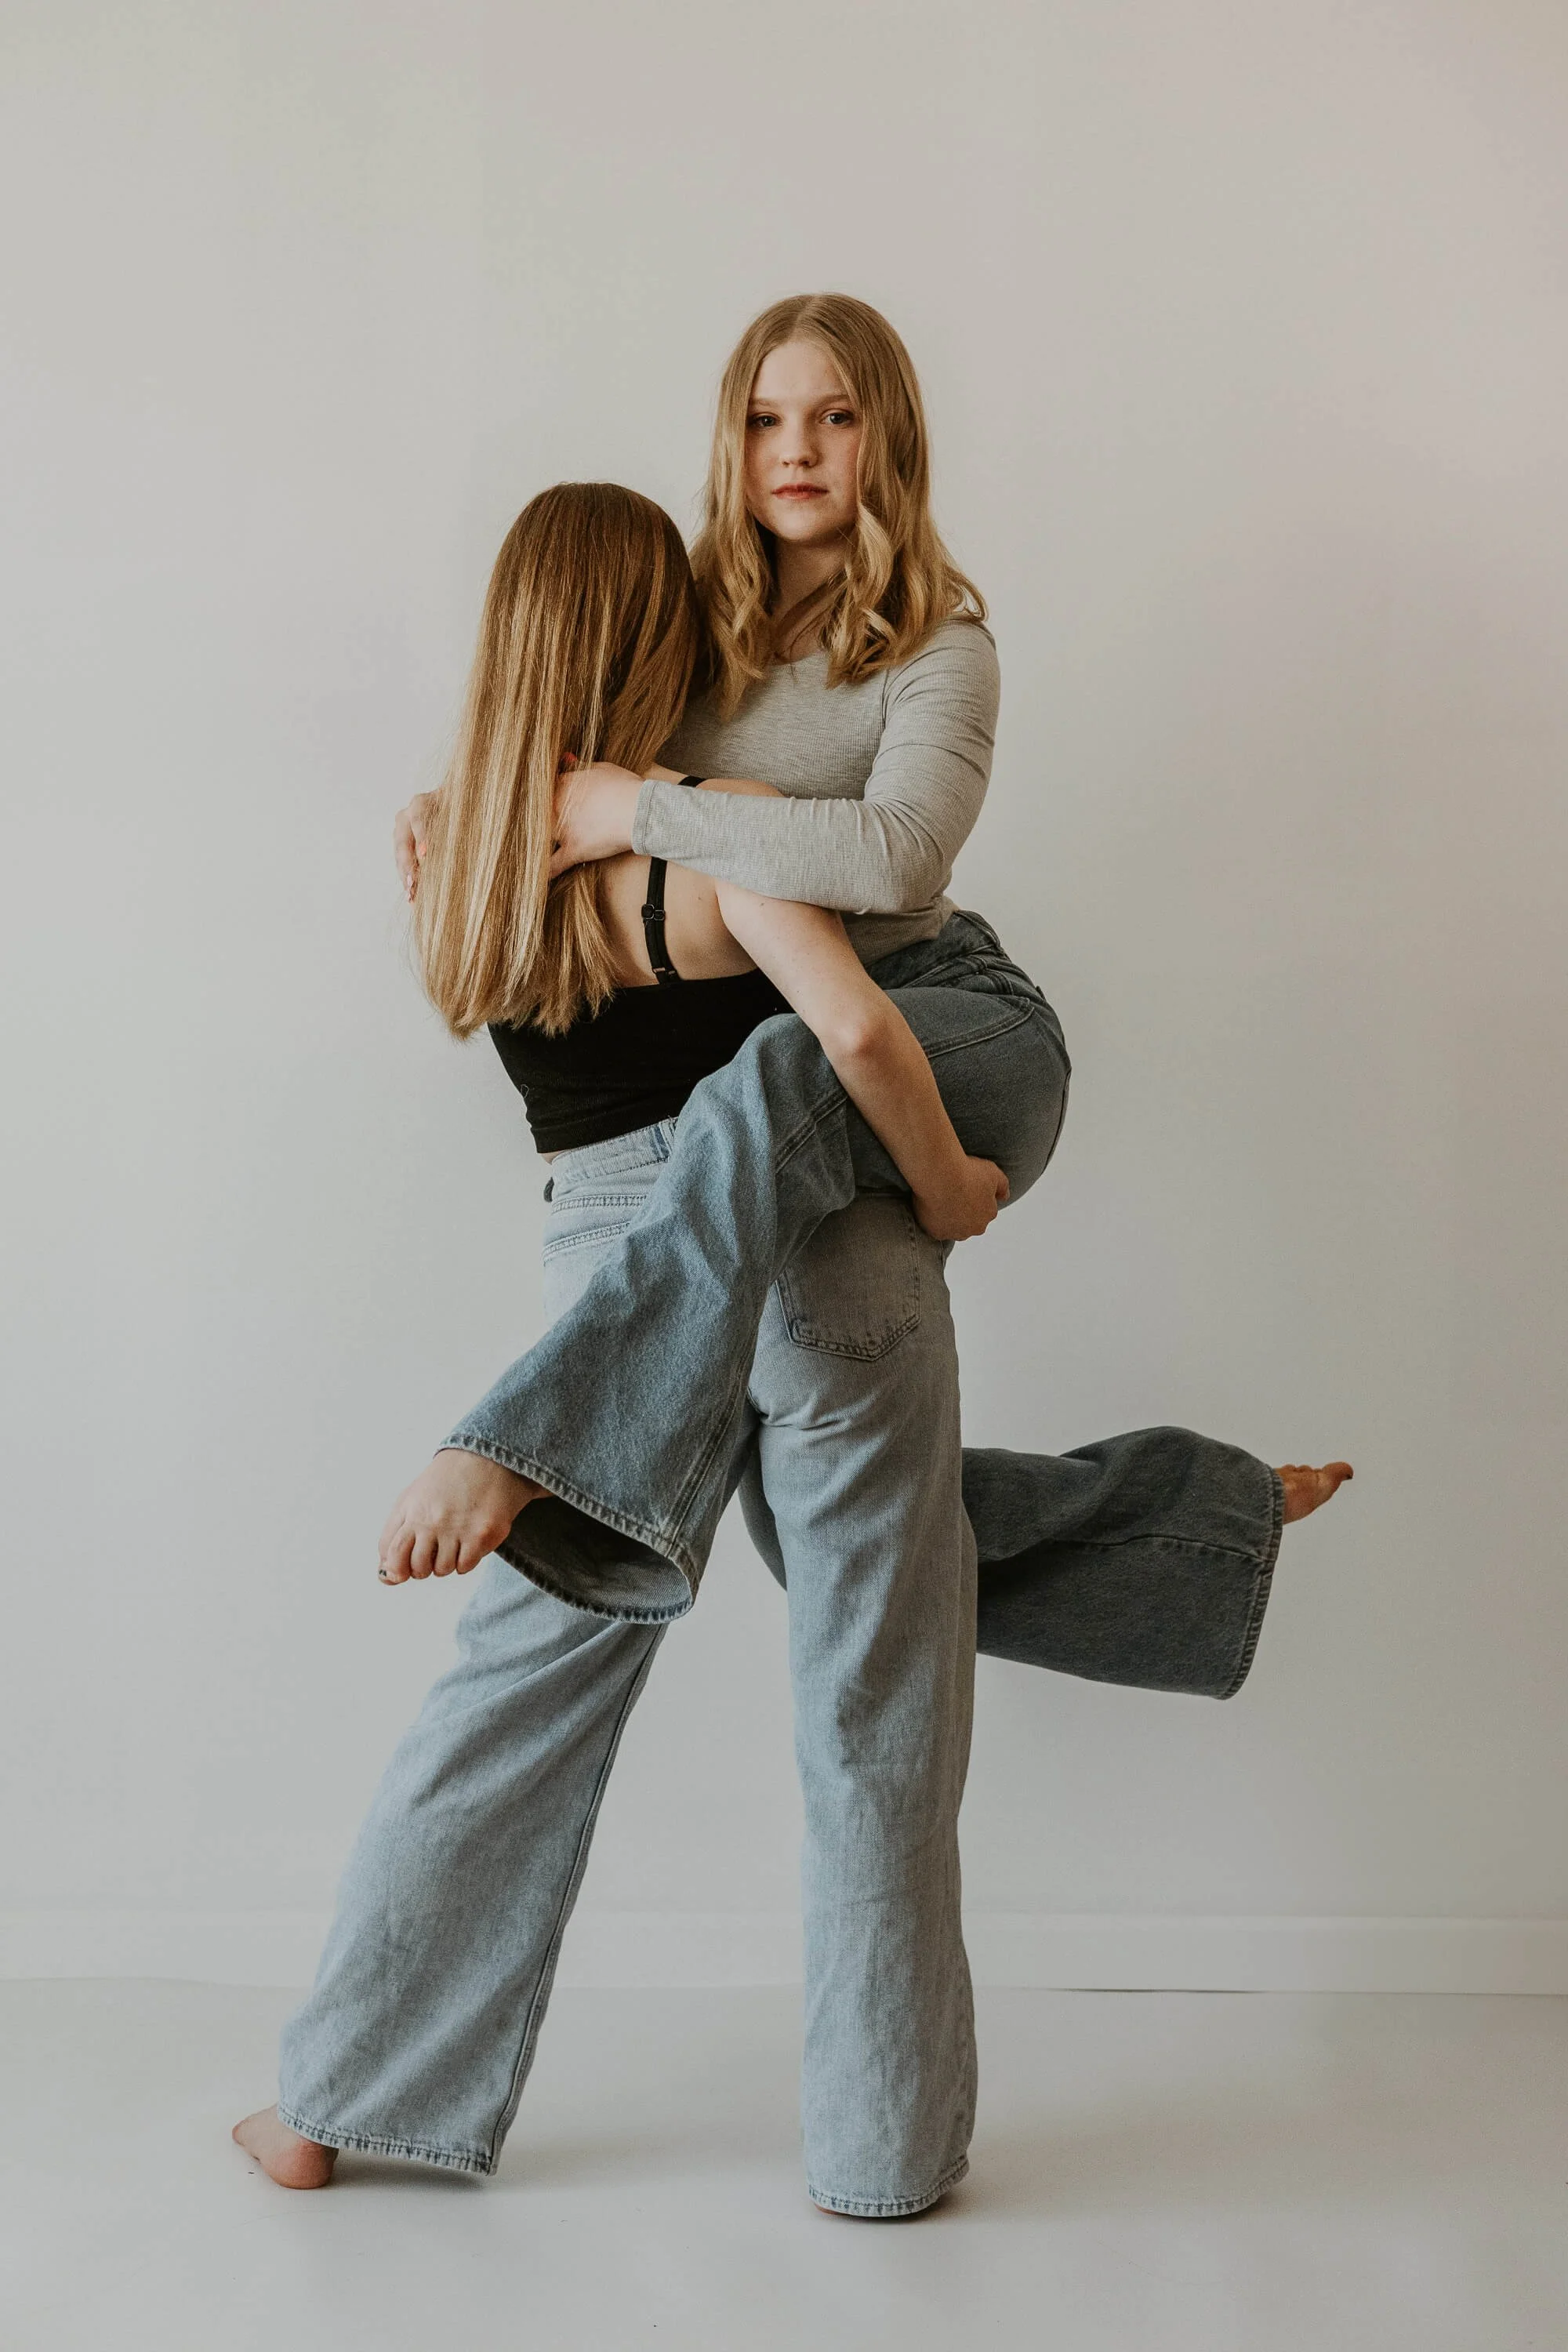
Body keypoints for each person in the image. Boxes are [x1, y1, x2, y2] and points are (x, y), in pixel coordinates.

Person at [235, 298, 1348, 2214]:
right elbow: (844, 1023)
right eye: (766, 425)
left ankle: (337, 2097)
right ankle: (886, 2157)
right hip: (831, 1252)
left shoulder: (476, 875)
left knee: (522, 1693)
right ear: (657, 636)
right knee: (877, 1678)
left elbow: (856, 908)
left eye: (828, 422)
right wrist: (950, 1187)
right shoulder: (715, 831)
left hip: (638, 1275)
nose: (793, 457)